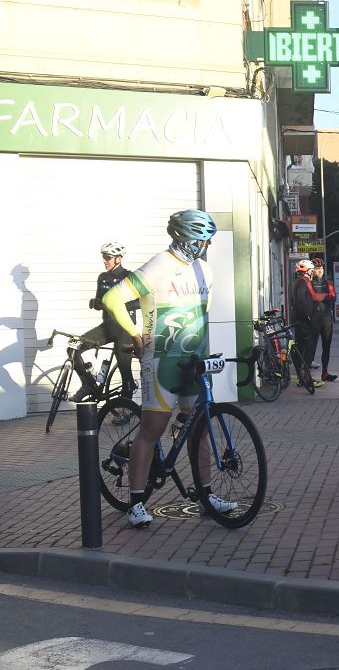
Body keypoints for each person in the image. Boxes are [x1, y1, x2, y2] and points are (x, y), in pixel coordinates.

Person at [101, 210, 237, 528]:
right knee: (152, 430)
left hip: (192, 361)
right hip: (160, 359)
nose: (206, 245)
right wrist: (135, 336)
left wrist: (207, 354)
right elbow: (113, 298)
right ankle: (136, 502)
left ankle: (205, 495)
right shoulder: (160, 264)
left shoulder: (205, 270)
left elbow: (201, 316)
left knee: (200, 427)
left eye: (208, 240)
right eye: (202, 239)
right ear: (185, 238)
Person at [69, 242, 139, 402]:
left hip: (124, 329)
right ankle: (88, 385)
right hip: (106, 327)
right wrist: (96, 303)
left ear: (119, 258)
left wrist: (119, 305)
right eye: (104, 257)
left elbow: (141, 302)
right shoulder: (103, 277)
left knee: (125, 373)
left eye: (108, 257)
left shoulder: (129, 277)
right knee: (73, 348)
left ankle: (125, 410)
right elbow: (101, 302)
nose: (105, 260)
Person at [289, 259, 321, 389]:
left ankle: (302, 378)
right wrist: (307, 316)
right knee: (308, 349)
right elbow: (300, 301)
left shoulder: (298, 282)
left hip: (299, 320)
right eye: (312, 270)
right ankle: (306, 378)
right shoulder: (302, 282)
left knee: (301, 348)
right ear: (308, 271)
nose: (313, 273)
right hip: (303, 321)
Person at [309, 258, 338, 383]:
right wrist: (325, 297)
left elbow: (334, 297)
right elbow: (311, 297)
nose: (320, 271)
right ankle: (305, 376)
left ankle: (324, 373)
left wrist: (323, 297)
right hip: (313, 318)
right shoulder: (309, 282)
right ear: (312, 270)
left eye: (321, 268)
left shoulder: (328, 283)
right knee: (311, 347)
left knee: (327, 346)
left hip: (326, 319)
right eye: (317, 268)